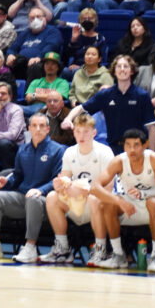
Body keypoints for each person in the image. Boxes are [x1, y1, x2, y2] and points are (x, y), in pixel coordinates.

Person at [0, 112, 65, 264]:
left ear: (48, 129)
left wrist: (41, 190)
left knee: (33, 199)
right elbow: (17, 176)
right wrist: (6, 182)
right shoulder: (23, 150)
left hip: (45, 202)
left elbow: (58, 180)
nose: (38, 129)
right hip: (22, 198)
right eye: (34, 126)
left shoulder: (58, 150)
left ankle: (30, 247)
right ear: (29, 129)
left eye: (42, 126)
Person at [39, 112, 114, 266]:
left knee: (94, 198)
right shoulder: (69, 152)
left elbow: (109, 187)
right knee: (53, 196)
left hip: (100, 202)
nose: (82, 135)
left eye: (86, 131)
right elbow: (65, 178)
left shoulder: (104, 152)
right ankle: (63, 249)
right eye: (78, 131)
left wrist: (85, 191)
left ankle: (101, 249)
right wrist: (60, 185)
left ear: (94, 133)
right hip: (78, 200)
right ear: (73, 132)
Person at [92, 128, 155, 270]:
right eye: (128, 145)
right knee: (108, 204)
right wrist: (118, 201)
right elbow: (94, 187)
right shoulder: (119, 161)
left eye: (136, 145)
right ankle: (118, 255)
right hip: (131, 205)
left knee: (153, 203)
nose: (132, 149)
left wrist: (142, 193)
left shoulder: (154, 159)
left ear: (145, 145)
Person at [64, 55, 155, 154]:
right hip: (114, 148)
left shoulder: (142, 95)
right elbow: (81, 108)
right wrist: (68, 118)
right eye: (119, 66)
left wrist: (151, 153)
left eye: (126, 66)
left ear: (132, 71)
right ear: (114, 72)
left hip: (137, 148)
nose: (122, 69)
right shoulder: (106, 94)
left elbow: (152, 127)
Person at [5, 6, 63, 82]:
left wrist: (39, 57)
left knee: (35, 67)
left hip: (42, 63)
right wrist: (10, 55)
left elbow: (51, 46)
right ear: (29, 21)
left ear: (44, 19)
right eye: (32, 18)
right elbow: (12, 48)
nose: (35, 19)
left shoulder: (53, 31)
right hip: (22, 63)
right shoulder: (25, 33)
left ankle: (30, 93)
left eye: (38, 17)